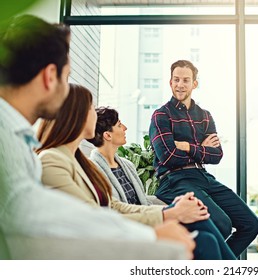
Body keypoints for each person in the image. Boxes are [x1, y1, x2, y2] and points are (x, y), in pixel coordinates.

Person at [0, 14, 193, 259]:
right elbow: (37, 212)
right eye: (66, 77)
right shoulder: (13, 143)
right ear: (50, 76)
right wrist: (151, 237)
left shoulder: (16, 138)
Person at [37, 83, 226, 260]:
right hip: (105, 242)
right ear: (75, 116)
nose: (94, 115)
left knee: (201, 225)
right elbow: (93, 220)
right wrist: (166, 216)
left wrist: (170, 210)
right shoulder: (53, 160)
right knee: (204, 240)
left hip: (118, 228)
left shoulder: (81, 162)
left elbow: (115, 206)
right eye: (90, 109)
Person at [87, 106, 237, 259]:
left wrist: (174, 204)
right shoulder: (93, 170)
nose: (125, 127)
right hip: (136, 225)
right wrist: (169, 210)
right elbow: (114, 210)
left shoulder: (127, 165)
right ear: (107, 135)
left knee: (200, 222)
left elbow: (143, 200)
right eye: (119, 125)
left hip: (149, 215)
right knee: (206, 238)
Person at [149, 59, 258, 257]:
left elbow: (216, 155)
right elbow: (168, 156)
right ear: (170, 82)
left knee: (251, 224)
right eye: (176, 80)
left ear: (194, 84)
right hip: (174, 180)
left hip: (202, 176)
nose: (180, 85)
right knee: (222, 224)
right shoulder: (161, 115)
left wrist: (185, 146)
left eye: (185, 80)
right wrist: (201, 148)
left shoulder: (205, 116)